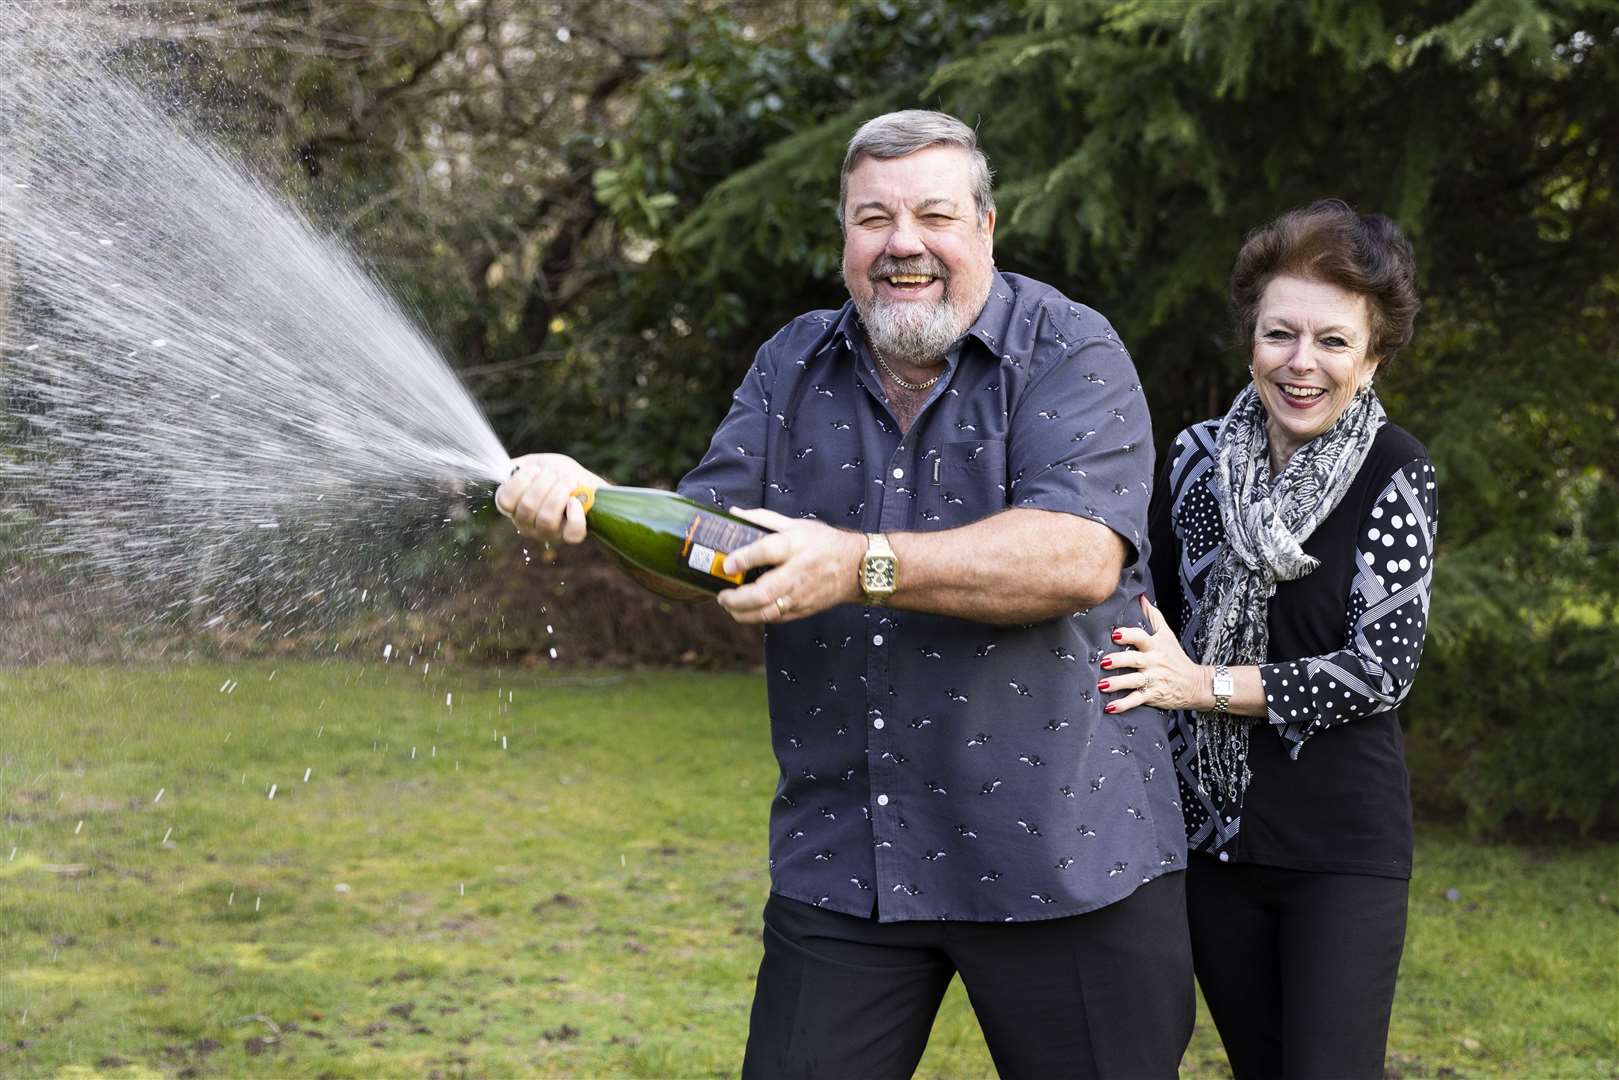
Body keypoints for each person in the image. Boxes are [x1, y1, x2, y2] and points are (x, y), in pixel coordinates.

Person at [497, 110, 1192, 1078]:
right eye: (872, 219)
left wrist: (863, 564)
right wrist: (592, 501)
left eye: (932, 215)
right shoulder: (794, 361)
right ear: (843, 243)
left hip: (1061, 854)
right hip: (850, 858)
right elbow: (709, 548)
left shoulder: (1068, 348)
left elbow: (1076, 557)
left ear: (984, 227)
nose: (902, 243)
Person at [1100, 199, 1436, 1079]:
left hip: (1341, 850)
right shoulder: (1195, 459)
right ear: (1250, 337)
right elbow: (1147, 620)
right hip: (1210, 843)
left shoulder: (1393, 469)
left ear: (1370, 356)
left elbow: (1380, 670)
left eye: (1332, 341)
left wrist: (1201, 686)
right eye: (1279, 334)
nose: (1301, 363)